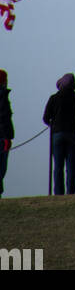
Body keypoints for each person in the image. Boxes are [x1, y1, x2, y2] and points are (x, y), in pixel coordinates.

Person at [43, 73, 75, 196]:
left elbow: (45, 117)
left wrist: (52, 125)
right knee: (71, 165)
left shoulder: (54, 98)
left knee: (58, 165)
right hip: (72, 133)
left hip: (57, 133)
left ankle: (58, 192)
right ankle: (71, 191)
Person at [0, 70, 13, 199]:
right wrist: (8, 136)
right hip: (2, 137)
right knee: (1, 168)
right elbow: (4, 117)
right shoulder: (2, 96)